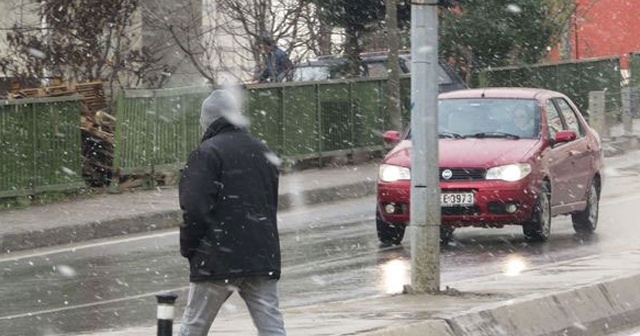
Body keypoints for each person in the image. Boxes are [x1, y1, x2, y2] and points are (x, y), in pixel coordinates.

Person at [177, 89, 286, 336]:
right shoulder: (261, 150)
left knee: (194, 326)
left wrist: (190, 248)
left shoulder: (207, 153)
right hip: (260, 255)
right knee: (271, 326)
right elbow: (269, 203)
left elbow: (194, 208)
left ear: (208, 121)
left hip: (217, 258)